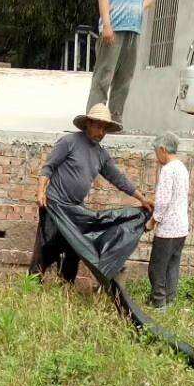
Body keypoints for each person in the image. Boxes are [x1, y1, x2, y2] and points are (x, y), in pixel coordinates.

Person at [34, 105, 152, 286]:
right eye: (98, 126)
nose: (101, 132)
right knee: (46, 245)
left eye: (104, 128)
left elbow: (118, 179)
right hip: (55, 205)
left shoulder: (101, 154)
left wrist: (142, 199)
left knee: (75, 249)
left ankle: (66, 286)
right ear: (88, 124)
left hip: (75, 211)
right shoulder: (69, 142)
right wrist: (41, 191)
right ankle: (33, 283)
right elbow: (48, 167)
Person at [86, 0, 155, 127]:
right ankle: (95, 119)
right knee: (104, 76)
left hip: (133, 30)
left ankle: (115, 120)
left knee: (124, 79)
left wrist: (138, 7)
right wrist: (106, 25)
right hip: (113, 29)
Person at [145, 135, 190, 308]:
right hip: (181, 228)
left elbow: (163, 201)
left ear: (163, 150)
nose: (157, 157)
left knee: (156, 268)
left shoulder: (168, 169)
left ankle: (159, 303)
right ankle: (170, 301)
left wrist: (152, 222)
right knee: (172, 266)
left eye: (157, 152)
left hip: (168, 229)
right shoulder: (182, 168)